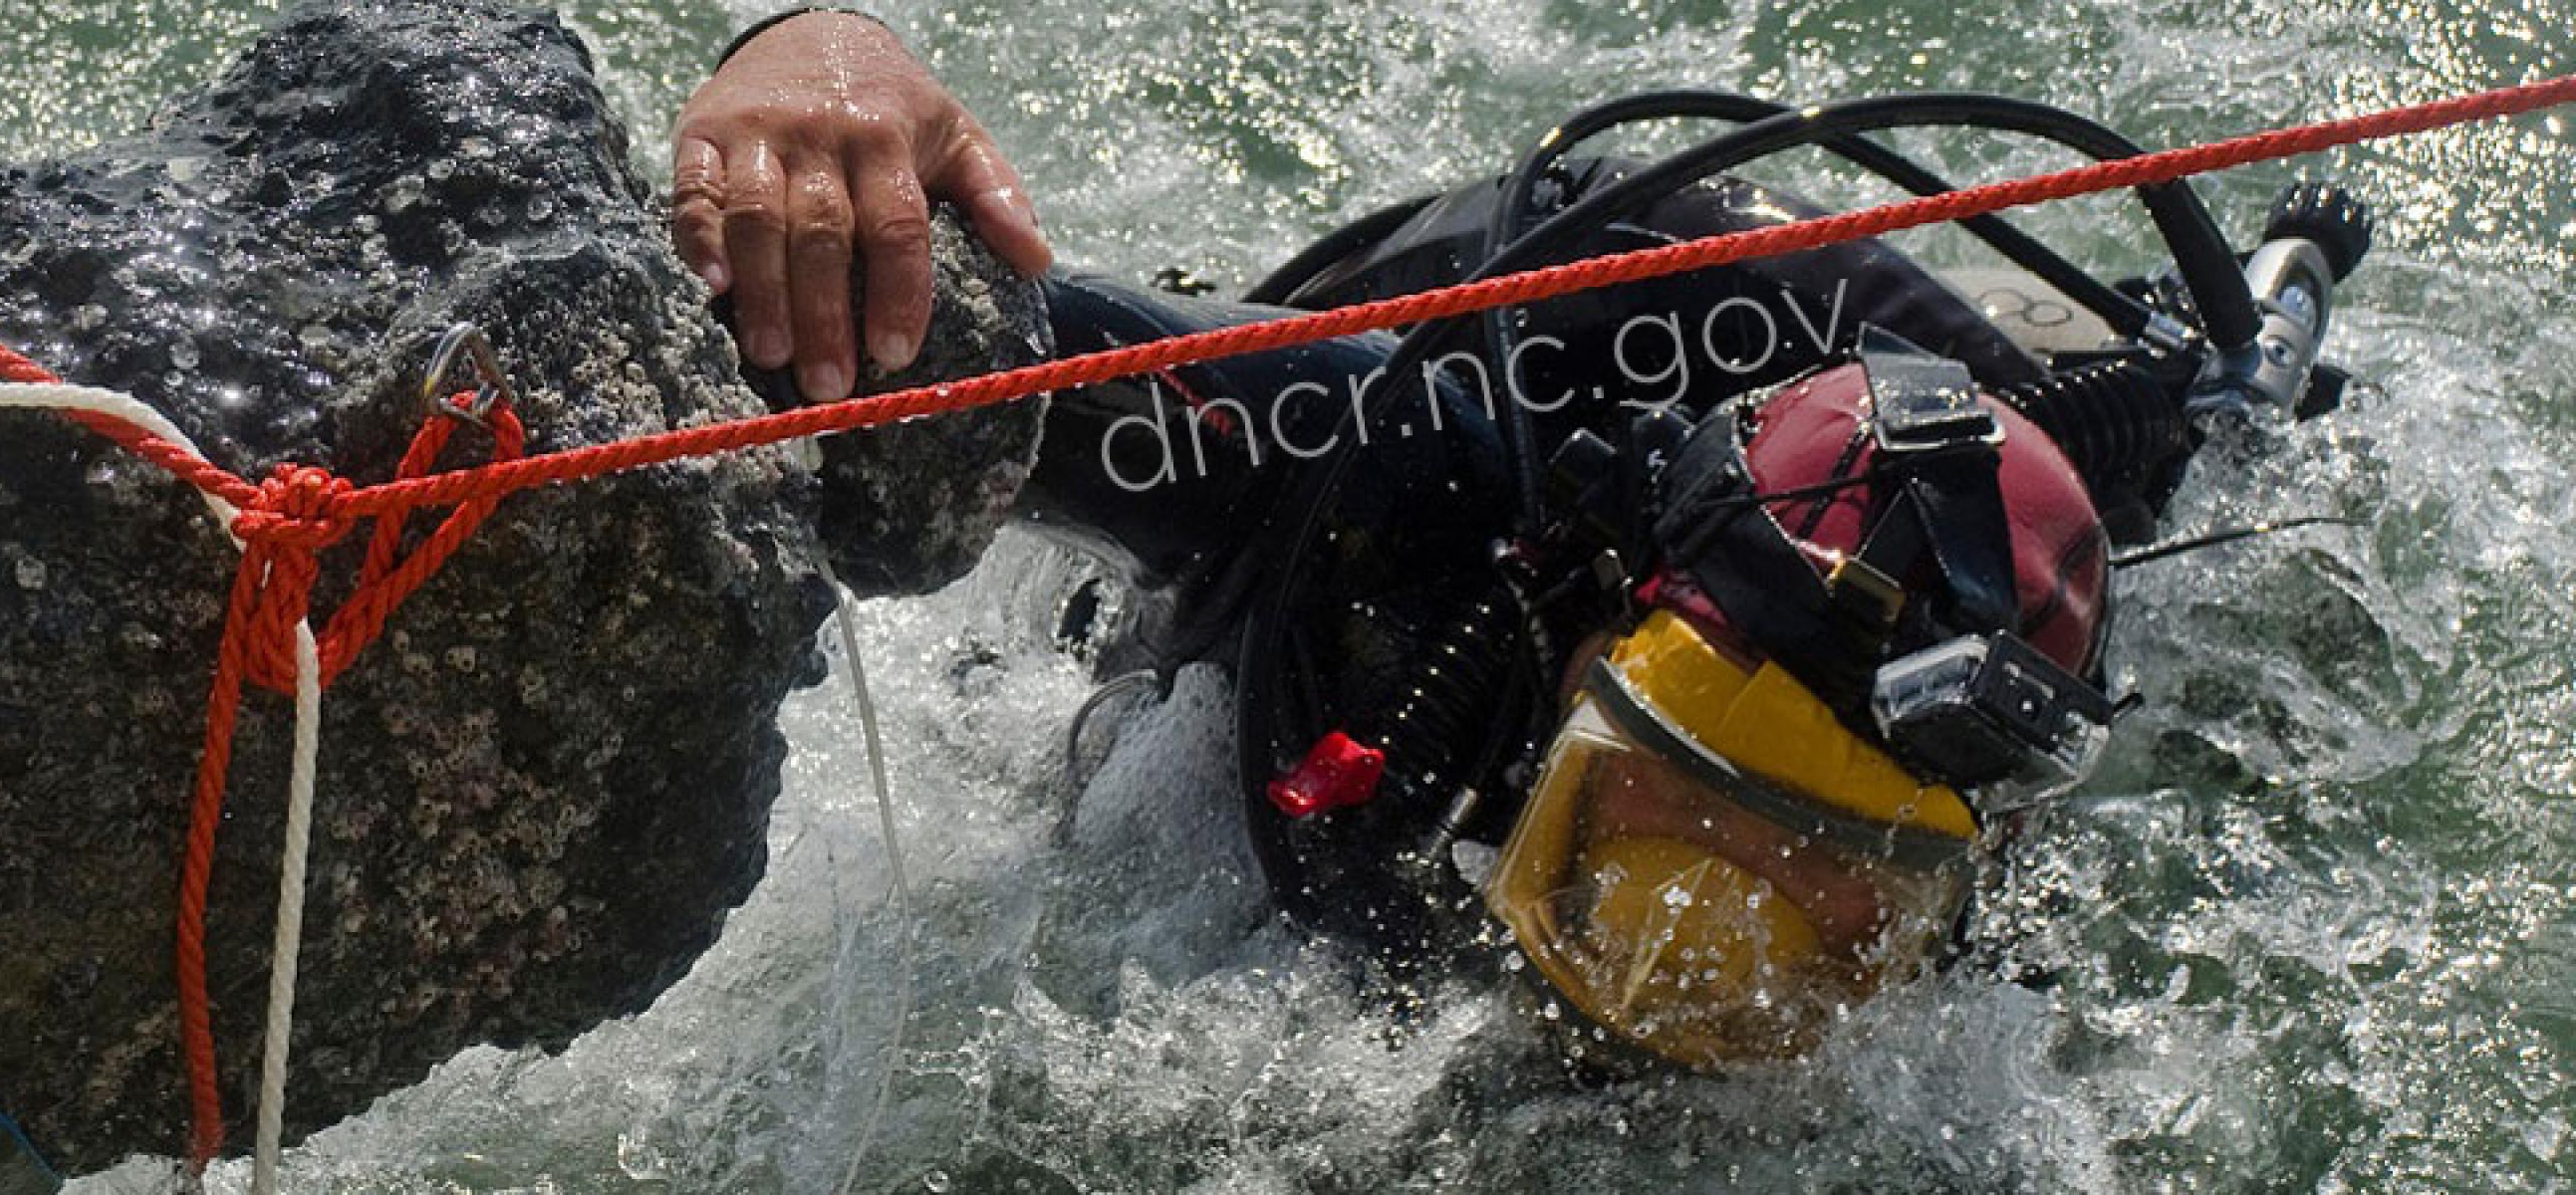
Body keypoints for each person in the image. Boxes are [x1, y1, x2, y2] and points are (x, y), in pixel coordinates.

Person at [674, 6, 2359, 1067]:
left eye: (1846, 937)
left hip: (1884, 348)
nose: (1687, 993)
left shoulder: (1992, 745)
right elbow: (944, 329)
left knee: (2193, 433)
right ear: (1599, 639)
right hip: (1512, 320)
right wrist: (812, 61)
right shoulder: (1366, 467)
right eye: (1632, 844)